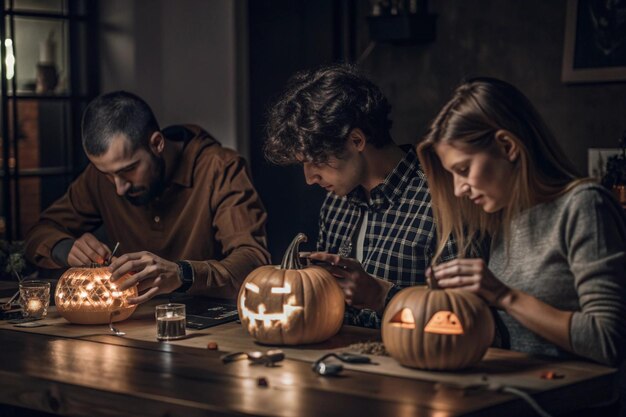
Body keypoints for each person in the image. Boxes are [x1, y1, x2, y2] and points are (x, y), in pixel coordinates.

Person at [417, 77, 626, 367]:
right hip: (518, 393)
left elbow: (609, 340)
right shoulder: (507, 217)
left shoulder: (584, 206)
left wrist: (502, 295)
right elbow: (519, 338)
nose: (458, 190)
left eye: (463, 169)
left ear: (507, 146)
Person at [25, 91, 270, 304]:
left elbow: (252, 261)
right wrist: (65, 248)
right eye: (107, 174)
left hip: (207, 327)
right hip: (128, 324)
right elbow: (39, 232)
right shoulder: (100, 178)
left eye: (128, 170)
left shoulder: (220, 168)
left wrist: (182, 274)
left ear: (157, 143)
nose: (119, 188)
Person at [264, 64, 457, 328]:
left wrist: (383, 297)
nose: (309, 179)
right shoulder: (336, 203)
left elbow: (468, 319)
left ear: (356, 141)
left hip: (412, 363)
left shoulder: (442, 200)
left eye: (317, 161)